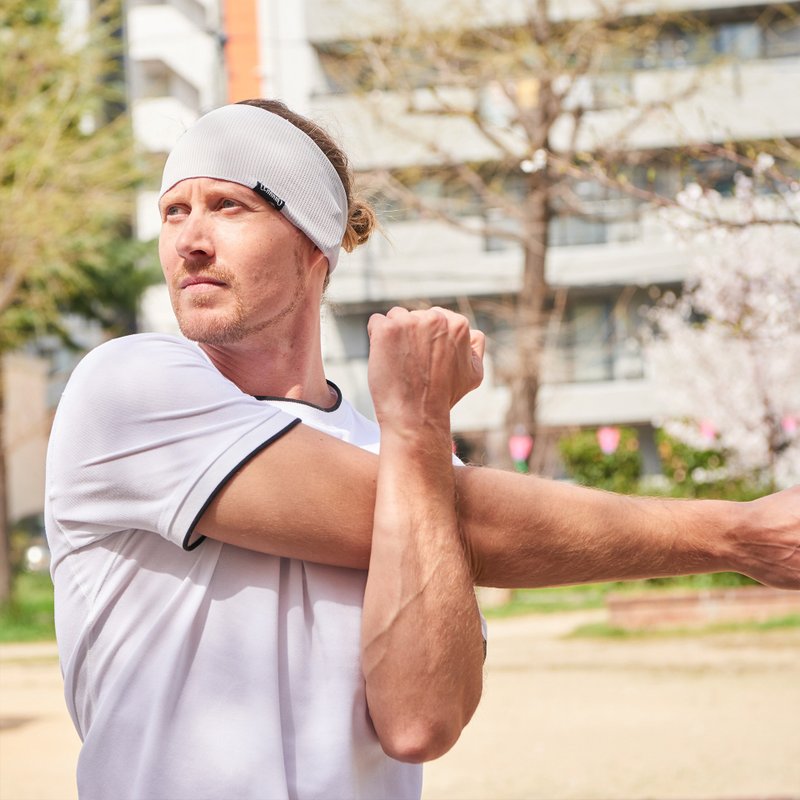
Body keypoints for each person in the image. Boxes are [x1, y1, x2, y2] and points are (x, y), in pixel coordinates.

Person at [45, 99, 800, 800]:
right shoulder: (126, 389)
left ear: (315, 242)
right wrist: (740, 535)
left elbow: (419, 726)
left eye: (229, 206)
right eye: (173, 211)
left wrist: (417, 435)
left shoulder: (410, 459)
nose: (189, 239)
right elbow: (479, 521)